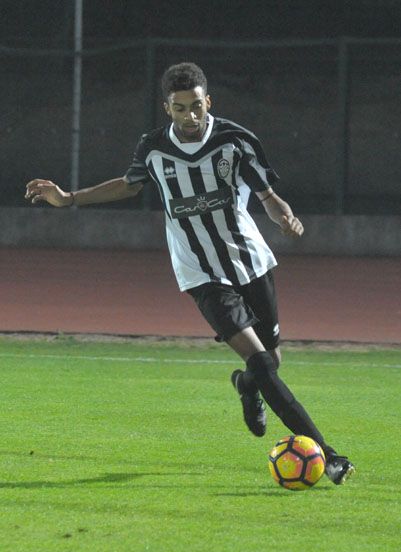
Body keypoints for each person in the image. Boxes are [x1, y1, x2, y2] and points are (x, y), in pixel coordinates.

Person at [25, 62, 355, 485]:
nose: (190, 116)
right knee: (261, 361)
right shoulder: (153, 148)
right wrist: (68, 197)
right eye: (180, 108)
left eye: (196, 106)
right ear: (168, 108)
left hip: (250, 263)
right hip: (200, 274)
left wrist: (284, 217)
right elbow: (128, 184)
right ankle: (328, 455)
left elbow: (268, 196)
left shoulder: (236, 140)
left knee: (270, 361)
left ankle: (246, 386)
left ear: (208, 102)